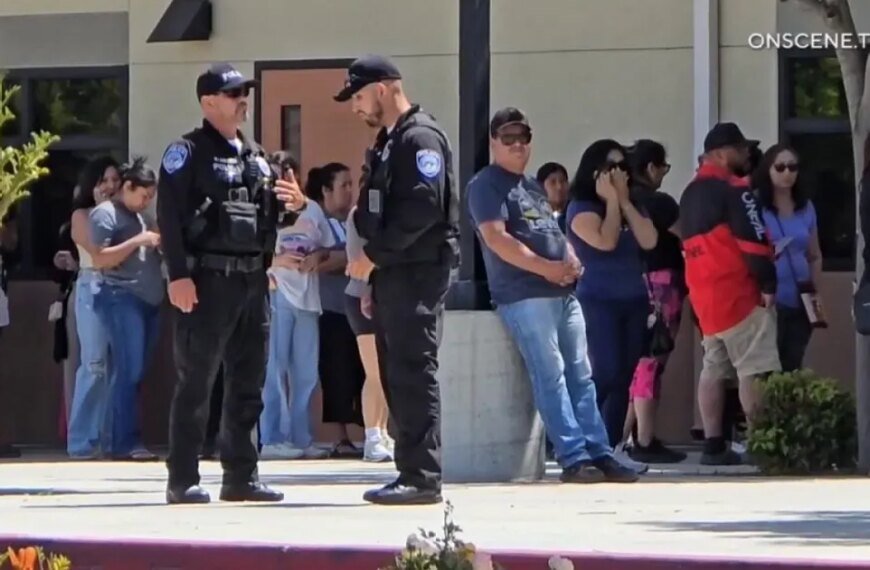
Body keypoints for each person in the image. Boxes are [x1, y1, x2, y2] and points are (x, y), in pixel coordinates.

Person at [157, 63, 307, 504]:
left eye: (245, 91)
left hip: (253, 283)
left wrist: (296, 205)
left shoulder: (257, 156)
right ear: (208, 102)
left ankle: (241, 475)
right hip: (206, 280)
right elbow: (168, 216)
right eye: (233, 93)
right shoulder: (187, 152)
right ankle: (182, 477)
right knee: (197, 382)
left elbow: (273, 214)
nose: (243, 99)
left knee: (248, 382)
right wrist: (179, 275)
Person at [467, 107, 638, 484]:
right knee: (552, 375)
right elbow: (496, 238)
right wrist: (547, 269)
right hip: (524, 295)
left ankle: (600, 451)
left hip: (563, 292)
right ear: (493, 142)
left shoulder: (530, 185)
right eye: (507, 137)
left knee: (582, 374)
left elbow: (553, 232)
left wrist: (571, 259)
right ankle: (573, 456)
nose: (517, 144)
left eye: (522, 136)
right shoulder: (485, 185)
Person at [335, 54, 459, 505]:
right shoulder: (390, 142)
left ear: (384, 89)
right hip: (392, 275)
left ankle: (422, 477)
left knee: (412, 370)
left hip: (417, 273)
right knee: (395, 373)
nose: (356, 107)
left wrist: (372, 257)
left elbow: (424, 209)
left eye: (360, 96)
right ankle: (409, 470)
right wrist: (373, 277)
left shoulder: (419, 138)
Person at [680, 122, 780, 466]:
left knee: (713, 369)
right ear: (722, 153)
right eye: (740, 149)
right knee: (753, 369)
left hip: (705, 299)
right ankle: (759, 443)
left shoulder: (689, 193)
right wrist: (768, 285)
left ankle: (712, 444)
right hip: (739, 295)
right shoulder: (737, 190)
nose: (747, 154)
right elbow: (754, 245)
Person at [567, 139, 657, 456]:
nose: (618, 173)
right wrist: (611, 203)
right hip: (598, 300)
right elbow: (605, 241)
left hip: (633, 299)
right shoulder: (581, 208)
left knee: (624, 376)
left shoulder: (633, 203)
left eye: (622, 166)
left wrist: (625, 202)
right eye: (610, 167)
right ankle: (579, 438)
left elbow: (649, 240)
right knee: (605, 371)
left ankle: (610, 445)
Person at [259, 157, 333, 461]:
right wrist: (275, 263)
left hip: (307, 296)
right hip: (276, 293)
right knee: (274, 368)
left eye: (291, 174)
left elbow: (328, 244)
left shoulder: (312, 209)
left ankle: (301, 438)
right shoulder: (264, 210)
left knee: (305, 371)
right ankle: (272, 437)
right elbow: (252, 252)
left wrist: (318, 256)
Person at [89, 157, 163, 461]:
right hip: (120, 296)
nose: (146, 202)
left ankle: (118, 438)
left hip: (150, 301)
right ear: (128, 187)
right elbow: (100, 259)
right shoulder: (104, 214)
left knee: (135, 371)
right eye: (143, 195)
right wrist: (138, 241)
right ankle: (124, 442)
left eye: (150, 198)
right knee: (128, 369)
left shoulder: (143, 217)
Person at [622, 140, 687, 464]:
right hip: (663, 283)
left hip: (630, 284)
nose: (663, 174)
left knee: (637, 361)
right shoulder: (659, 203)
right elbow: (687, 236)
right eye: (663, 167)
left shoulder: (620, 202)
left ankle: (627, 435)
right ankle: (645, 438)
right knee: (653, 360)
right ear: (651, 168)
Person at [66, 157, 120, 459]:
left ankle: (111, 439)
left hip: (123, 289)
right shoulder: (82, 215)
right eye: (103, 181)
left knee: (119, 368)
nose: (110, 186)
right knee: (94, 364)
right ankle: (82, 441)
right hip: (93, 286)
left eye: (114, 180)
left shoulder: (125, 215)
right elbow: (99, 253)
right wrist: (103, 212)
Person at [755, 144, 823, 372]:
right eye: (780, 167)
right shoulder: (757, 207)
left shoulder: (806, 207)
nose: (787, 173)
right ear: (768, 170)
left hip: (802, 299)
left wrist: (814, 290)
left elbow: (814, 254)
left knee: (793, 364)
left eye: (792, 167)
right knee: (766, 368)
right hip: (769, 300)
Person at [536, 162, 569, 233]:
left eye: (563, 181)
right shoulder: (534, 218)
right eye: (553, 182)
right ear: (540, 187)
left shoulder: (574, 216)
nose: (559, 187)